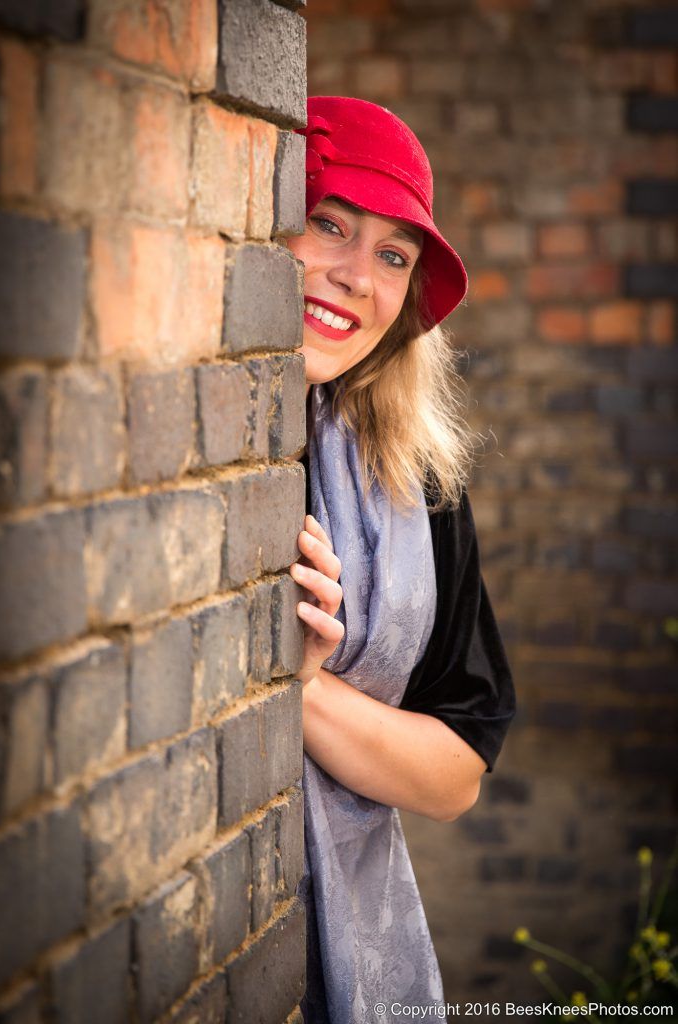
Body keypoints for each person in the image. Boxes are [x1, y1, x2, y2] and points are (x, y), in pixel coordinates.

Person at [284, 96, 517, 1024]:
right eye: (328, 224)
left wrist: (301, 691)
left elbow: (458, 770)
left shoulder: (417, 484)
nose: (353, 276)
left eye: (392, 255)